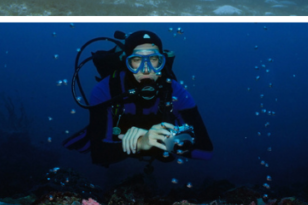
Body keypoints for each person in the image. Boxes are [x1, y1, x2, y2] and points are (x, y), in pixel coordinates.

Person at [63, 30, 213, 167]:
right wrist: (140, 143)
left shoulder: (176, 92)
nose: (146, 69)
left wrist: (163, 142)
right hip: (116, 139)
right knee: (80, 143)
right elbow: (99, 155)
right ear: (127, 63)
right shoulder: (105, 90)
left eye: (154, 59)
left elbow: (206, 151)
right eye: (136, 60)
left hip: (157, 144)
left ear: (162, 62)